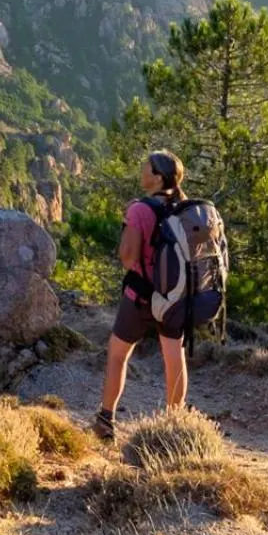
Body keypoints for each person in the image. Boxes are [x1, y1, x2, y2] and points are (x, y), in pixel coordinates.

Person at [94, 149, 189, 440]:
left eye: (146, 168)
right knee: (174, 357)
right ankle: (175, 424)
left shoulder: (140, 210)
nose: (141, 172)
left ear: (158, 177)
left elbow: (127, 256)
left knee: (118, 355)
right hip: (175, 296)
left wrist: (129, 221)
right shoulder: (184, 208)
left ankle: (106, 419)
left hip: (141, 296)